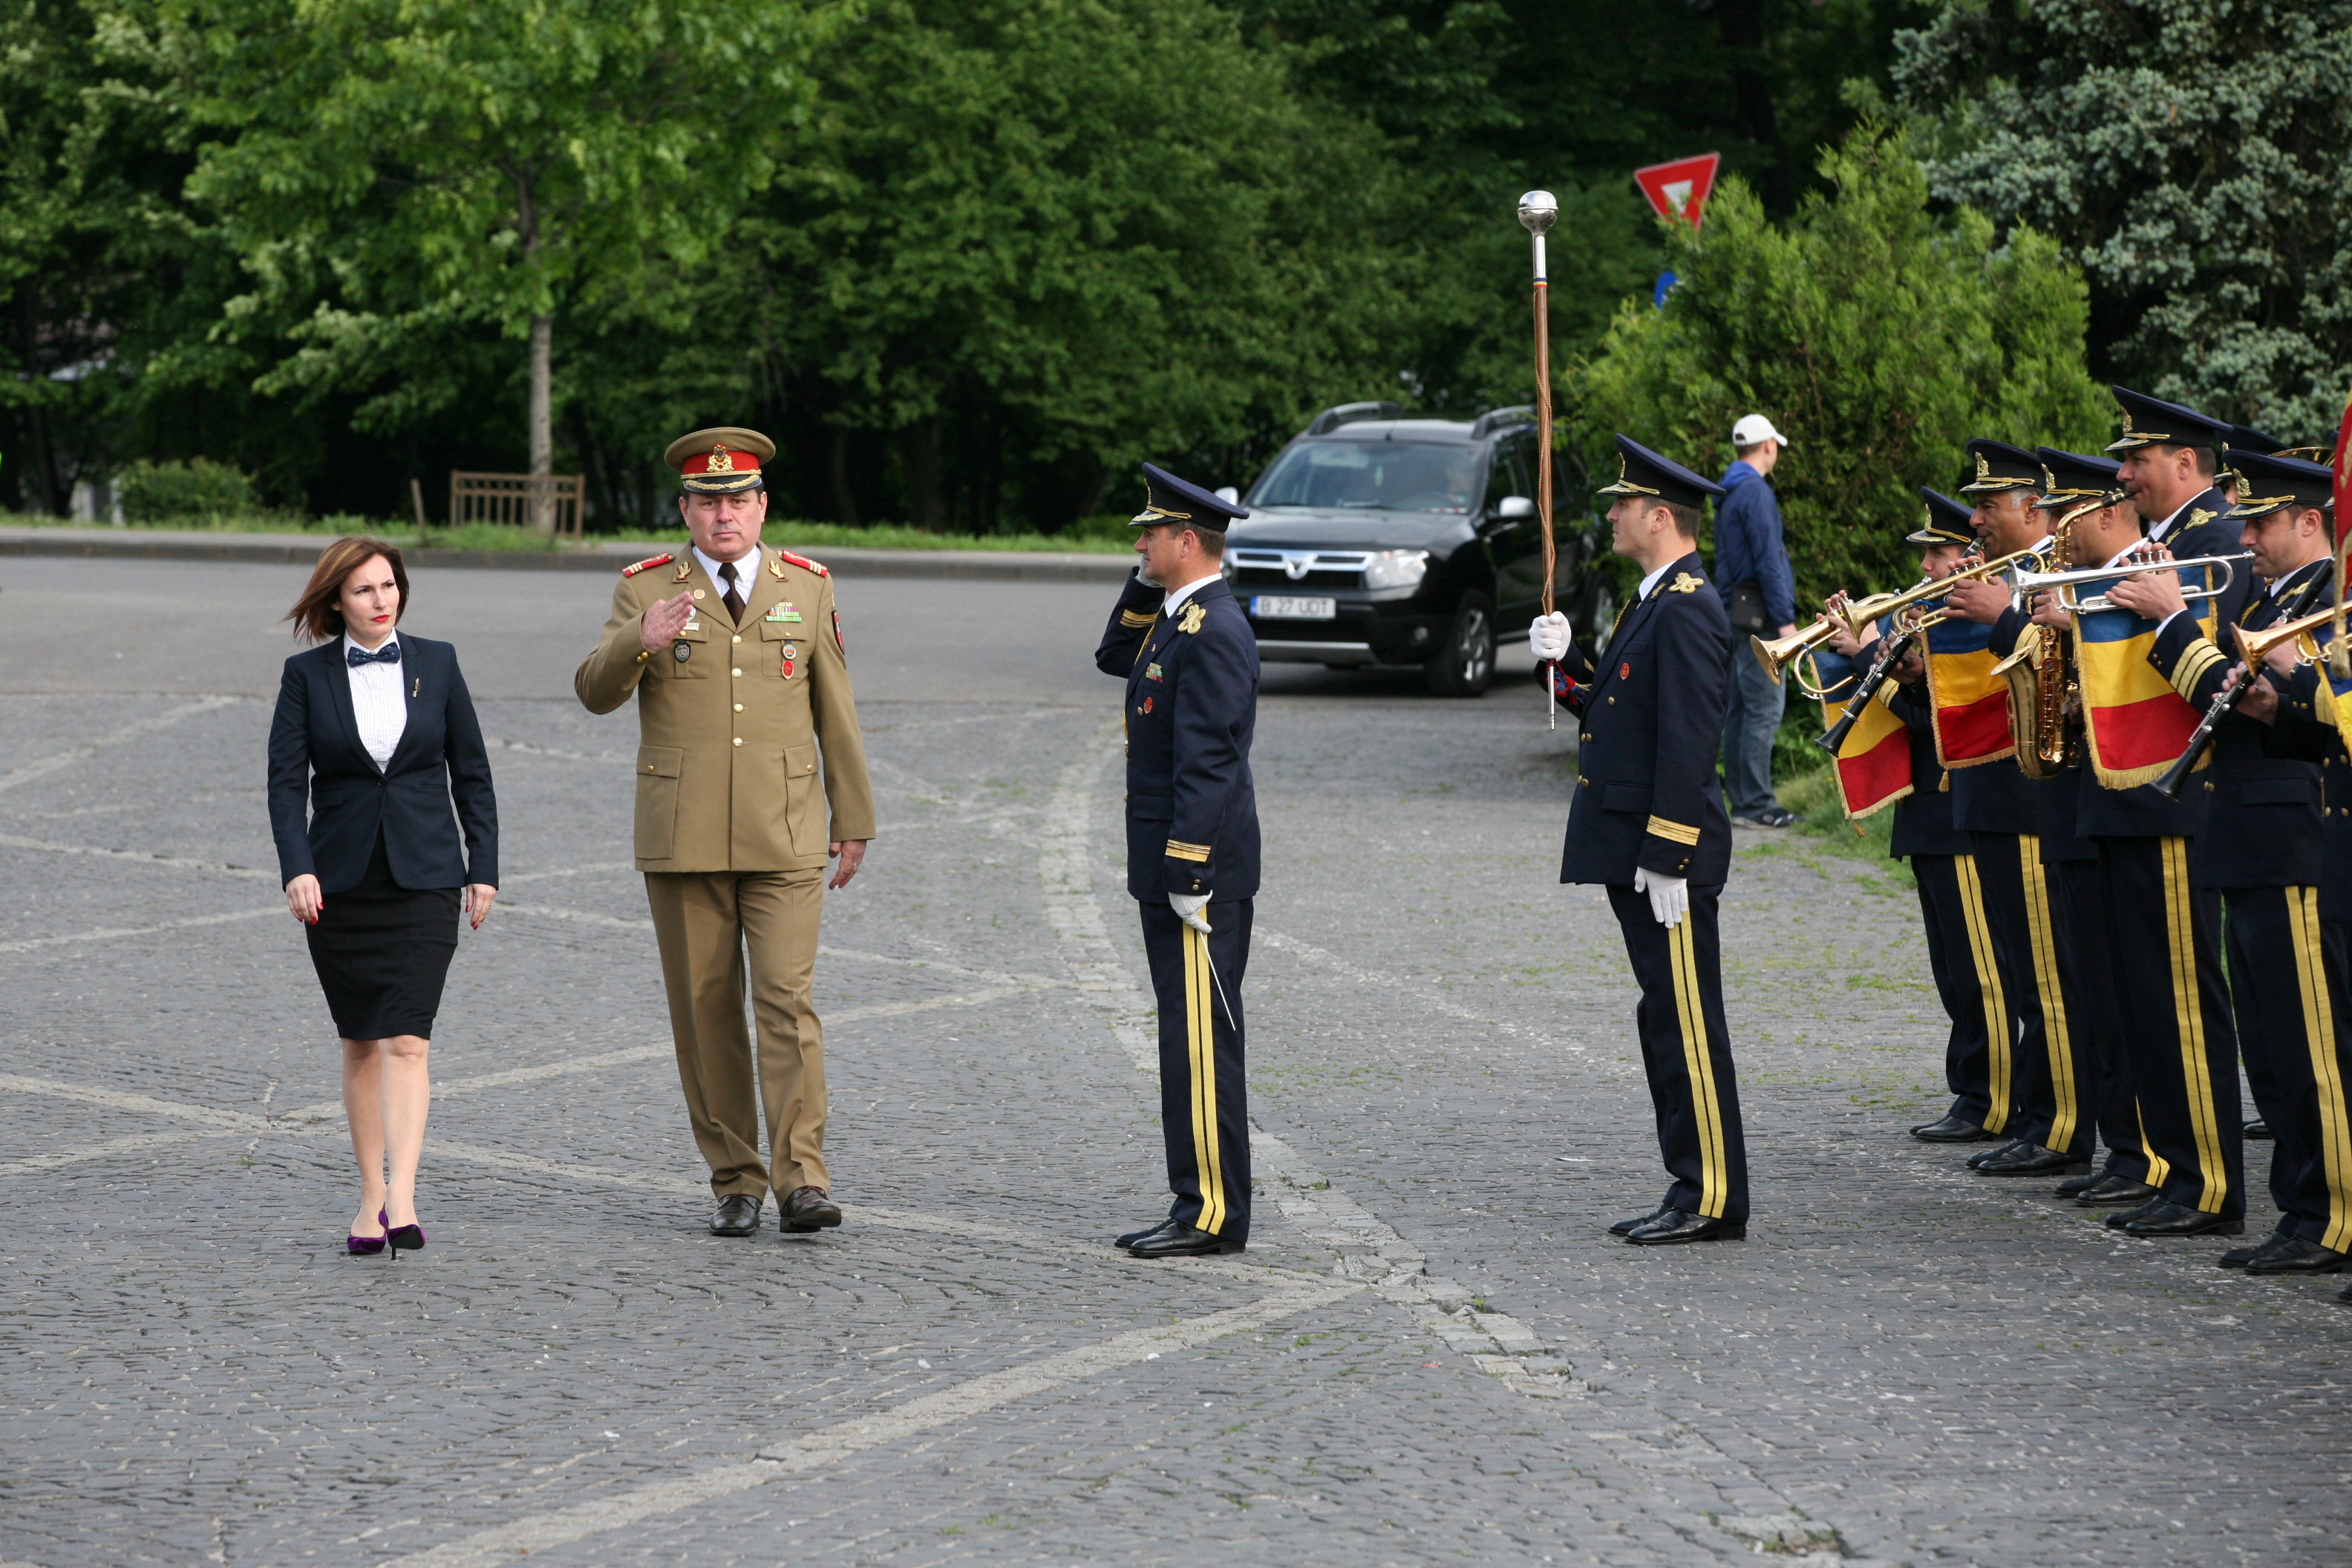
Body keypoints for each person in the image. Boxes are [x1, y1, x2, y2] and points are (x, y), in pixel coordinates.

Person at [574, 427, 876, 1239]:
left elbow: (835, 712)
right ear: (685, 510)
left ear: (762, 506)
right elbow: (592, 692)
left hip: (784, 832)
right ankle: (735, 1180)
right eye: (708, 502)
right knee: (705, 1010)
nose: (724, 515)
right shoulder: (645, 589)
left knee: (787, 1002)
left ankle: (803, 1179)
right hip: (686, 837)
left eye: (738, 500)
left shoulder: (806, 586)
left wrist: (855, 820)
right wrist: (641, 644)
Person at [2124, 448, 2348, 1273]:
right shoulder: (2271, 596)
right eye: (2245, 520)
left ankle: (2333, 1213)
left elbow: (2276, 710)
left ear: (2309, 522)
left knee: (2309, 1042)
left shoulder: (2326, 597)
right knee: (2269, 1042)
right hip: (2246, 833)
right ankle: (2302, 1207)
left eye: (2261, 522)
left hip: (2291, 835)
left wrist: (2177, 625)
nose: (2245, 535)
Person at [2022, 431, 2243, 1238]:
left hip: (2172, 801)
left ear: (2185, 463)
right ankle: (2166, 1164)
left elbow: (2208, 670)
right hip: (2125, 795)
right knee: (2140, 995)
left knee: (2181, 996)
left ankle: (2207, 1181)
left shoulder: (2213, 543)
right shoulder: (2166, 546)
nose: (2122, 476)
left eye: (2137, 462)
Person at [1531, 435, 1747, 1244]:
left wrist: (1668, 851)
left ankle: (1715, 1195)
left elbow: (1690, 740)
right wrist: (1564, 668)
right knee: (1664, 1018)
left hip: (1668, 856)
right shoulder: (1657, 597)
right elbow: (1621, 713)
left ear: (1661, 517)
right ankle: (1690, 1186)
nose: (1613, 515)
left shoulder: (1688, 605)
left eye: (1623, 504)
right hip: (1642, 848)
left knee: (1687, 1021)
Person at [267, 535, 499, 1257]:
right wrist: (295, 867)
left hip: (427, 875)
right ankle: (371, 1197)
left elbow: (474, 772)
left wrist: (482, 866)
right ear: (337, 599)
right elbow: (285, 783)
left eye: (389, 586)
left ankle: (404, 1196)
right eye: (364, 590)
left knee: (407, 1037)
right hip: (338, 883)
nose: (380, 600)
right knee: (361, 1041)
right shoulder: (305, 675)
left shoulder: (439, 661)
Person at [1094, 463, 1259, 1259]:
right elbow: (1111, 654)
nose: (1140, 542)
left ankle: (1213, 1212)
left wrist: (1190, 871)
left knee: (1201, 1039)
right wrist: (1147, 580)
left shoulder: (1216, 630)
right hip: (1172, 865)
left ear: (1187, 541)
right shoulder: (1179, 616)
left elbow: (1211, 762)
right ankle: (1195, 1200)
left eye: (1151, 535)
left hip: (1200, 874)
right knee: (1182, 1035)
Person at [1824, 489, 2005, 1149]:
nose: (1927, 567)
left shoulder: (1977, 627)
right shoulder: (1928, 620)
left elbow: (1947, 725)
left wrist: (1888, 665)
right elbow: (1916, 719)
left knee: (1978, 964)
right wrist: (1866, 656)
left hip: (1961, 808)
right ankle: (1973, 1087)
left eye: (1941, 552)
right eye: (1927, 554)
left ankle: (1992, 1095)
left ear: (1974, 556)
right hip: (1928, 810)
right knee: (1951, 966)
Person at [1715, 413, 1799, 829]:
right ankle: (1758, 804)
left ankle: (1743, 801)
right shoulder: (1756, 493)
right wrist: (1786, 625)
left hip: (1734, 612)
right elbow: (1769, 561)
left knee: (1741, 710)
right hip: (1761, 618)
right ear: (1769, 446)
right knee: (1764, 709)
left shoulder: (1729, 490)